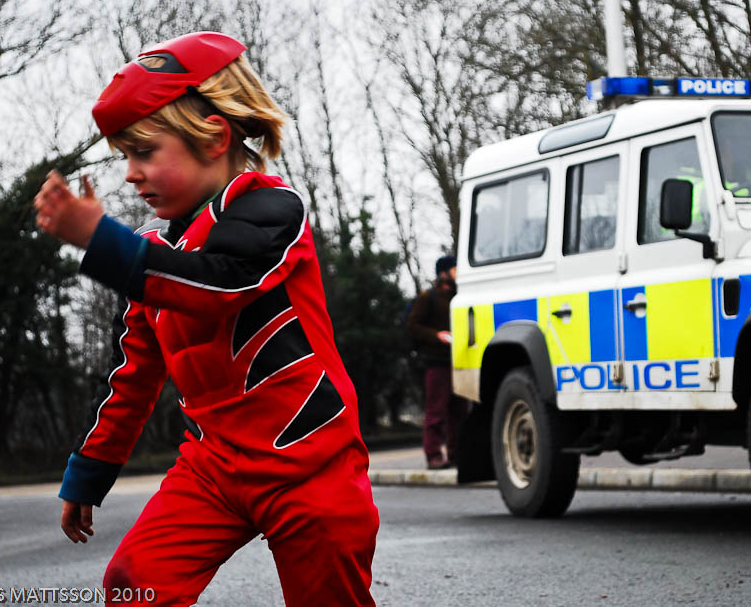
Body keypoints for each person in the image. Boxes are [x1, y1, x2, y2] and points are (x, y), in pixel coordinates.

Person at [33, 32, 379, 606]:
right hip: (212, 469)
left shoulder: (272, 210)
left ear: (214, 137)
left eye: (145, 153)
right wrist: (88, 473)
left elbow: (218, 285)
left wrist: (102, 241)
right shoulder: (152, 261)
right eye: (124, 158)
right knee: (134, 583)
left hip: (309, 464)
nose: (130, 174)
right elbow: (133, 380)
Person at [406, 254, 465, 470]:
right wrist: (437, 335)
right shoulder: (428, 297)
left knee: (458, 411)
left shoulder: (459, 296)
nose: (458, 272)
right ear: (444, 272)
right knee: (436, 410)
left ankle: (457, 453)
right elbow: (413, 326)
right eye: (455, 268)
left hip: (457, 360)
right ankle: (433, 455)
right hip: (435, 361)